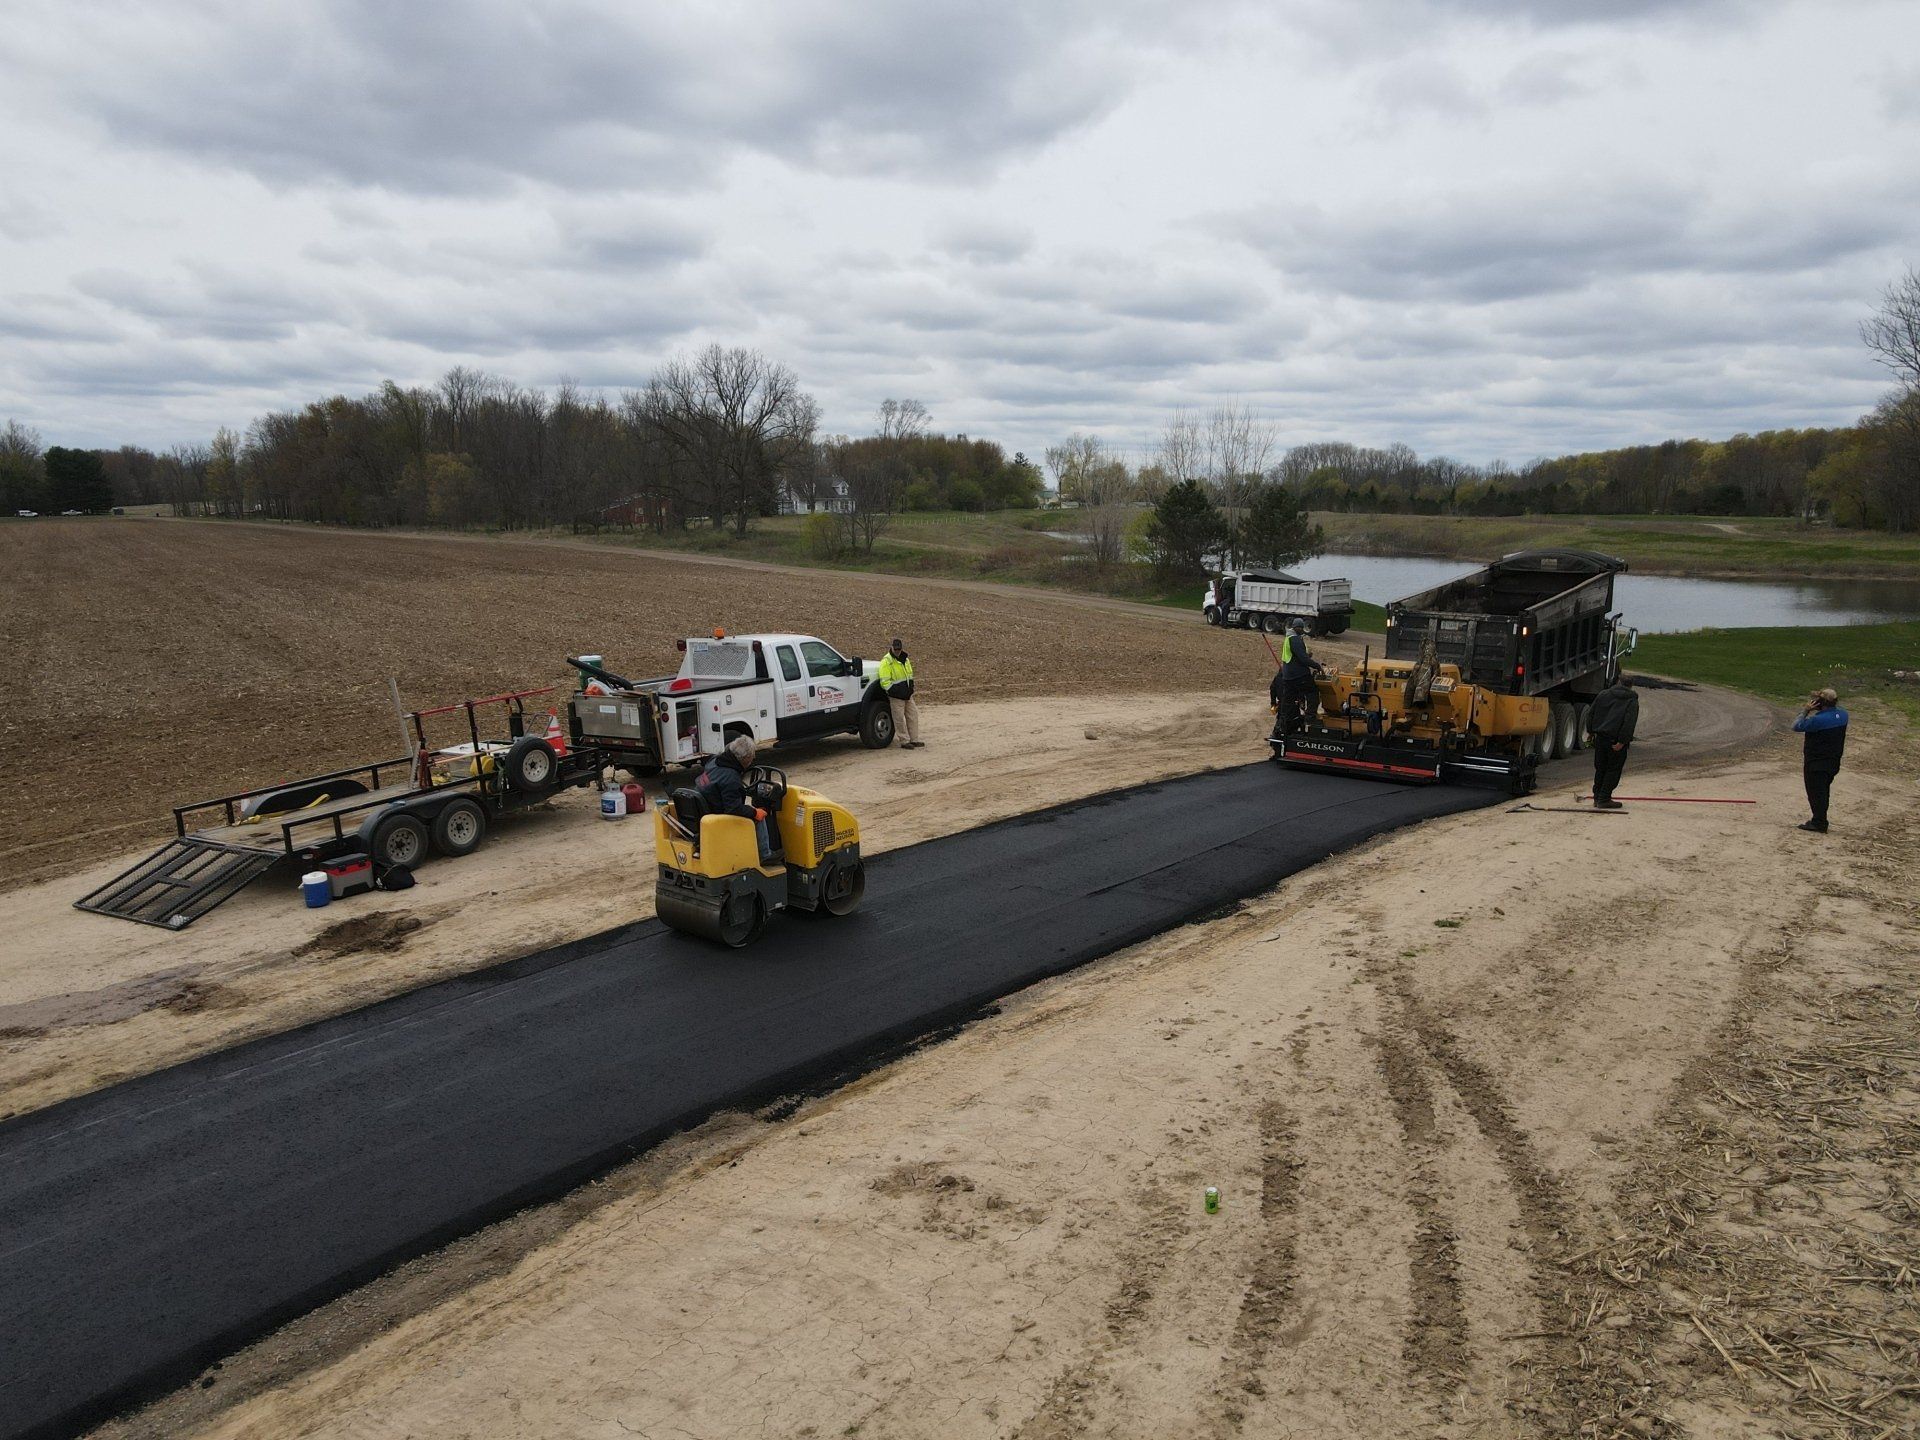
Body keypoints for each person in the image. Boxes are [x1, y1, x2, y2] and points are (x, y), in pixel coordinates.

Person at [695, 735, 777, 863]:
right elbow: (733, 808)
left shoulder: (714, 761)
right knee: (759, 816)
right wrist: (755, 812)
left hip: (706, 810)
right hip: (719, 817)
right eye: (752, 757)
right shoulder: (731, 778)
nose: (753, 759)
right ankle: (765, 855)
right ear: (745, 759)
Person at [1793, 687, 1848, 833]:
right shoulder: (1843, 715)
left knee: (1816, 793)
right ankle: (1820, 819)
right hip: (1833, 761)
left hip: (1816, 763)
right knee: (1824, 792)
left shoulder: (1817, 720)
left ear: (1819, 703)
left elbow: (1796, 726)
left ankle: (1819, 822)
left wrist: (1806, 710)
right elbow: (1834, 711)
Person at [1585, 674, 1639, 808]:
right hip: (1615, 740)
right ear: (1631, 685)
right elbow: (1629, 723)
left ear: (1618, 682)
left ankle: (1597, 797)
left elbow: (1591, 713)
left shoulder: (1603, 694)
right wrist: (1622, 741)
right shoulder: (1631, 701)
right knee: (1613, 770)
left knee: (1600, 768)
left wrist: (1591, 732)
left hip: (1600, 738)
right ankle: (1604, 798)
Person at [1270, 618, 1325, 739]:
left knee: (1288, 701)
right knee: (1313, 692)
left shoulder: (1288, 638)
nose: (1302, 630)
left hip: (1288, 676)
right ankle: (1310, 718)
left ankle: (1283, 725)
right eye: (1300, 628)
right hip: (1299, 675)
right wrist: (1317, 666)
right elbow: (1303, 659)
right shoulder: (1295, 639)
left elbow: (1297, 655)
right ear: (1296, 628)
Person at [878, 636, 923, 749]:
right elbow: (885, 682)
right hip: (896, 697)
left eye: (899, 649)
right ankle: (904, 741)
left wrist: (911, 688)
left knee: (913, 716)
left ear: (901, 648)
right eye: (896, 649)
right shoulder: (886, 661)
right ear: (891, 647)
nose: (897, 651)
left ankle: (914, 739)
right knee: (899, 720)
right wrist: (895, 692)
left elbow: (910, 675)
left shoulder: (906, 659)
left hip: (908, 695)